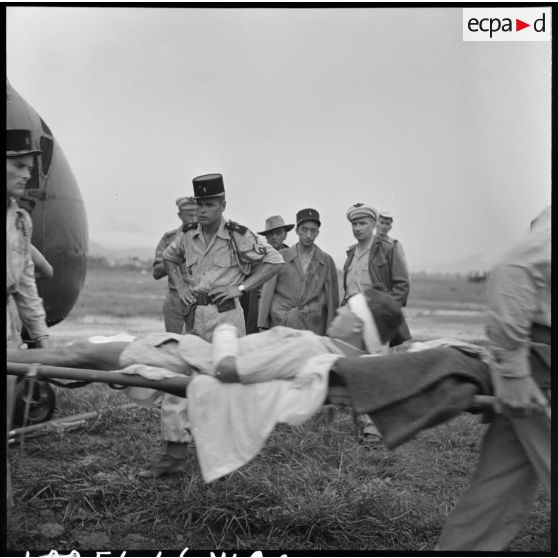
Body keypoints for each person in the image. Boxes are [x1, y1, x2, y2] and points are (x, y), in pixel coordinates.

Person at [150, 172, 284, 477]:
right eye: (199, 204)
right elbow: (169, 259)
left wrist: (242, 288)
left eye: (209, 204)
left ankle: (231, 458)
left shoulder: (239, 235)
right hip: (197, 318)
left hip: (227, 321)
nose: (202, 210)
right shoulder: (187, 235)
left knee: (228, 386)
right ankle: (173, 456)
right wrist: (181, 286)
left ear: (223, 204)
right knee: (179, 378)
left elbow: (275, 261)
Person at [436, 206, 551, 551]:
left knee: (493, 500)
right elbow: (513, 269)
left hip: (533, 372)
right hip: (539, 370)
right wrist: (514, 371)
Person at [6, 129, 51, 508]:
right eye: (18, 166)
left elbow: (26, 287)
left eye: (29, 167)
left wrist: (45, 342)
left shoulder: (21, 221)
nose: (26, 175)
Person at [342, 203, 411, 444]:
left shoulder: (387, 249)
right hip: (353, 323)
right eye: (354, 224)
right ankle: (363, 424)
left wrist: (383, 315)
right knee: (357, 373)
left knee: (376, 373)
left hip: (377, 322)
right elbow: (349, 290)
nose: (358, 228)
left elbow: (402, 286)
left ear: (373, 225)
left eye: (363, 223)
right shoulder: (351, 254)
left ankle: (374, 430)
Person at [258, 208, 339, 335]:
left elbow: (332, 300)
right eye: (304, 229)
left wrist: (332, 333)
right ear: (297, 231)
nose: (308, 235)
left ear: (318, 232)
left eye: (313, 231)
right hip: (281, 324)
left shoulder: (326, 261)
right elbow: (267, 294)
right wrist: (262, 324)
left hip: (313, 328)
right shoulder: (280, 257)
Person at [240, 215, 294, 334]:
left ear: (285, 235)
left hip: (282, 314)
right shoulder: (255, 258)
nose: (274, 237)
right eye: (270, 234)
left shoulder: (292, 259)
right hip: (256, 310)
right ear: (266, 237)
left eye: (278, 233)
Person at [153, 196, 198, 334]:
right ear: (180, 215)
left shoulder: (206, 237)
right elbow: (156, 272)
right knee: (174, 343)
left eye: (196, 214)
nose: (194, 218)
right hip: (176, 298)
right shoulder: (169, 238)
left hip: (200, 297)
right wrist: (175, 258)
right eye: (190, 215)